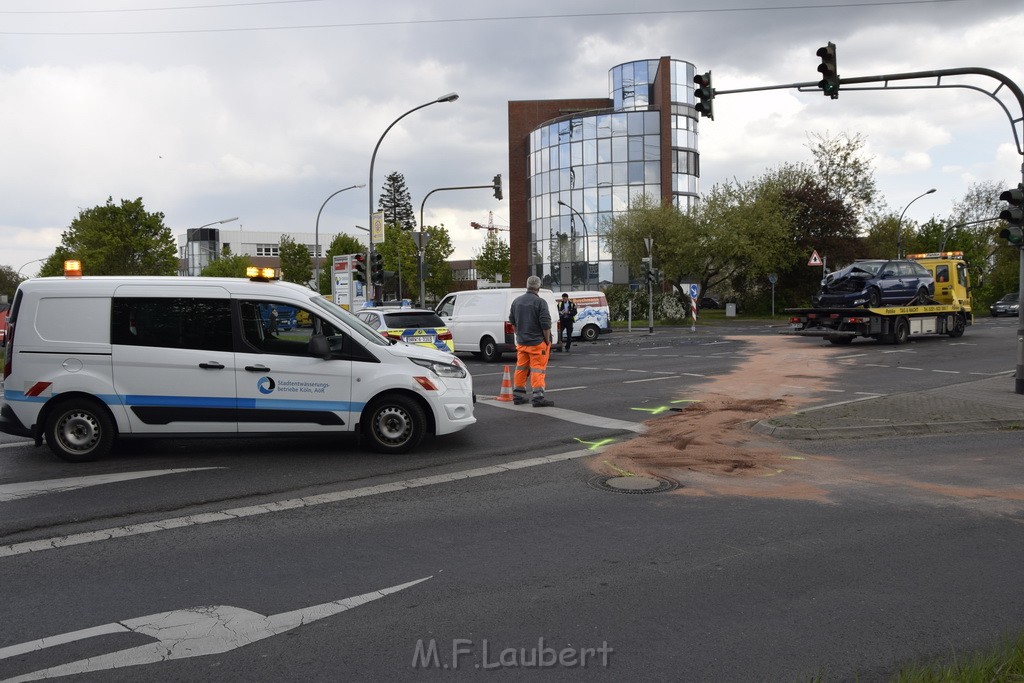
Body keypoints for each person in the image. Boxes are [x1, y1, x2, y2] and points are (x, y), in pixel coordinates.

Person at [508, 275, 554, 407]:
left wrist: (519, 334)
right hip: (537, 343)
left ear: (527, 285)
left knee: (521, 369)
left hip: (522, 342)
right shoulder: (540, 302)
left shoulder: (517, 301)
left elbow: (512, 321)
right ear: (539, 287)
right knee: (537, 370)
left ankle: (518, 396)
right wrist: (547, 341)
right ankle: (538, 398)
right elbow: (546, 325)